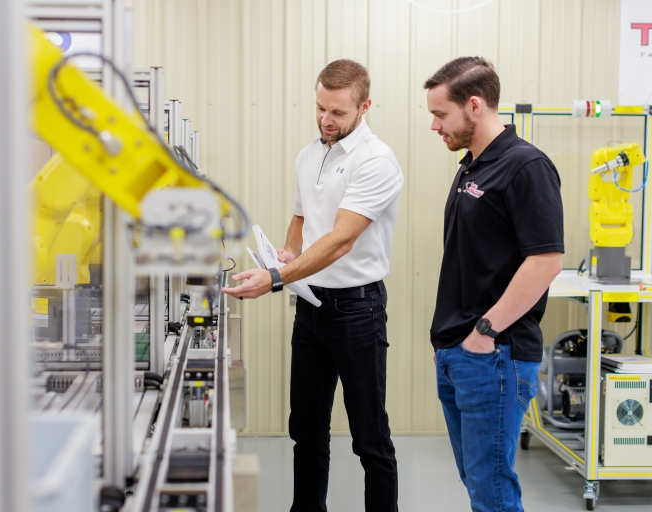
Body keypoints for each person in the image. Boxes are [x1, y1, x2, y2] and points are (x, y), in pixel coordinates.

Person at [222, 59, 403, 512]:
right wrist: (286, 254)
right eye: (321, 108)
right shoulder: (310, 153)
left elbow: (341, 239)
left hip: (357, 312)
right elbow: (303, 217)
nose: (326, 119)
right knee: (305, 429)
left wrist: (277, 277)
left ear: (365, 107)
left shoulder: (375, 160)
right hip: (311, 310)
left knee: (369, 438)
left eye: (338, 112)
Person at [425, 56, 564, 512]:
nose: (434, 125)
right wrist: (451, 340)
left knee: (492, 491)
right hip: (460, 352)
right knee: (478, 481)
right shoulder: (471, 167)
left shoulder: (525, 167)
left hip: (494, 354)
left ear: (475, 105)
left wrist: (483, 334)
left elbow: (545, 261)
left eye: (440, 114)